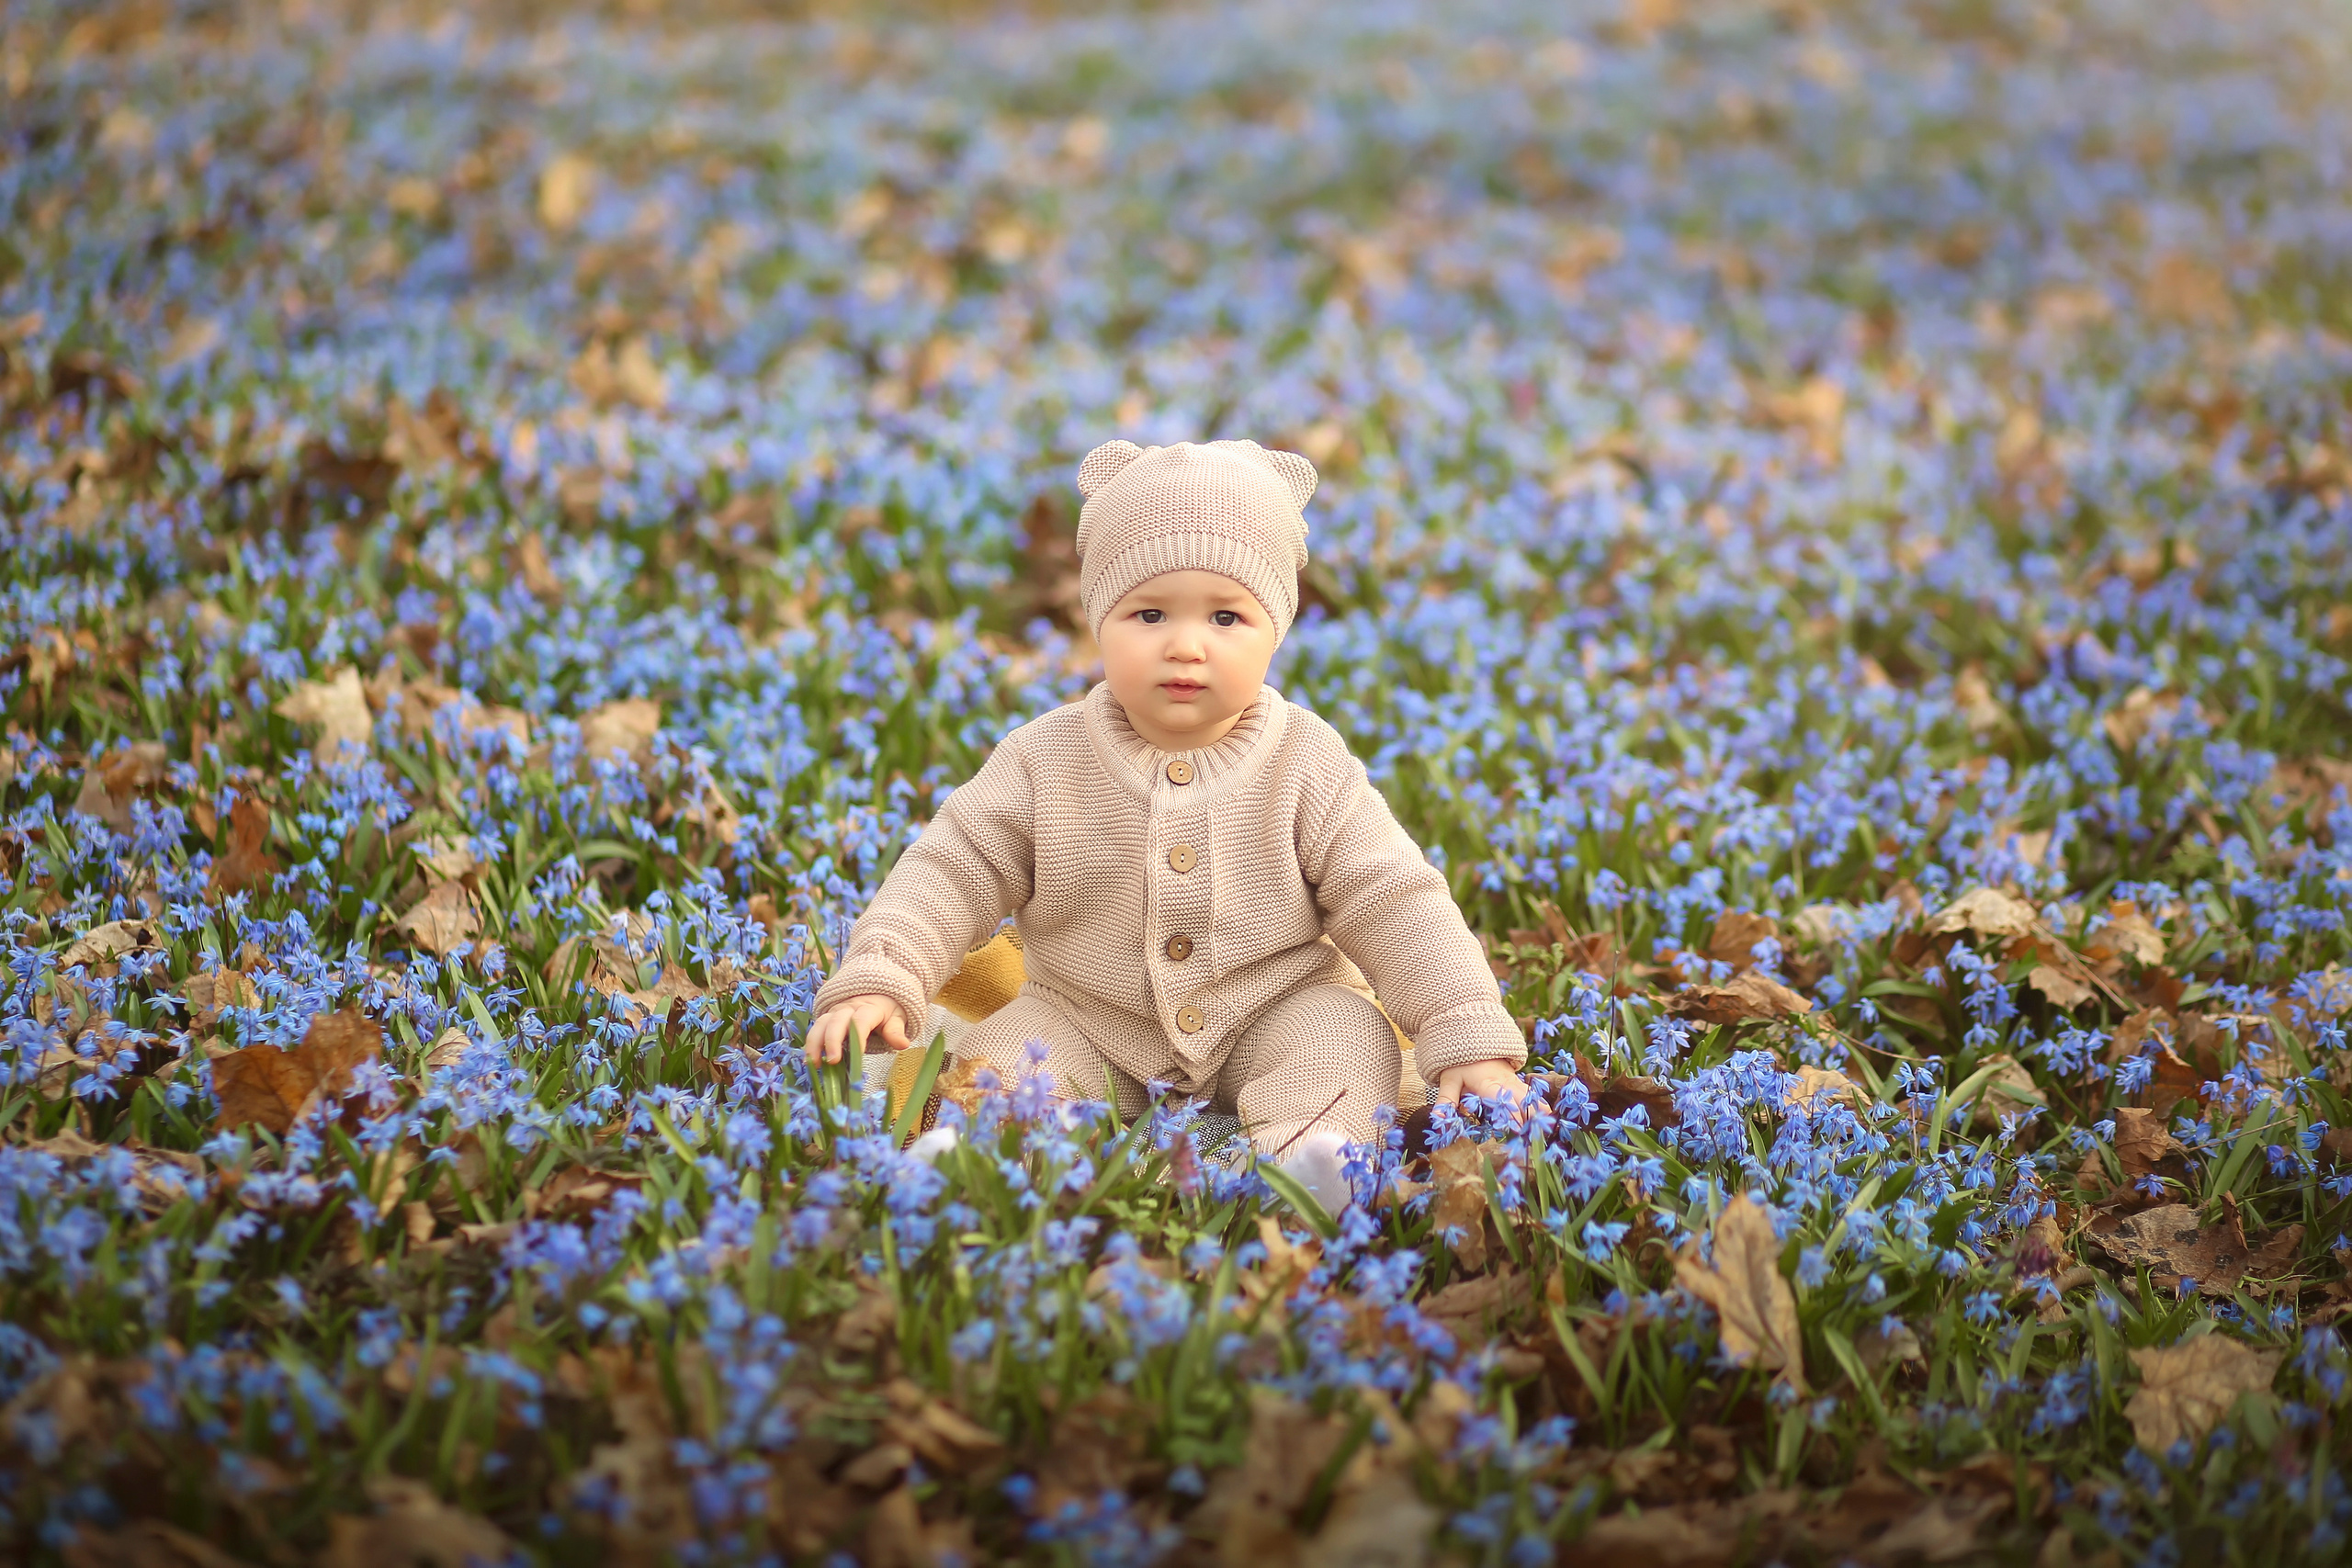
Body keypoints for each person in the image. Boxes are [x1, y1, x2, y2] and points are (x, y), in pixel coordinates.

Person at [804, 438, 1526, 1211]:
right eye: (1149, 613)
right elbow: (952, 866)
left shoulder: (1308, 761)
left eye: (1226, 615)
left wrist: (1465, 1030)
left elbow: (1391, 896)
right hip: (1087, 1015)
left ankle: (1310, 1163)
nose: (1186, 644)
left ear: (1274, 627)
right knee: (1006, 1054)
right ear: (1096, 620)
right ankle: (989, 1156)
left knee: (1350, 1039)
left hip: (1276, 1009)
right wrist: (882, 974)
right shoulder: (1043, 758)